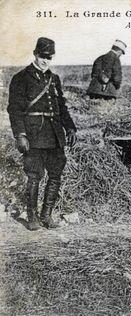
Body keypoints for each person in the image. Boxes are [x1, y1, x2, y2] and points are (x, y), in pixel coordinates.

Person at [7, 37, 77, 230]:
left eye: (49, 57)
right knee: (34, 176)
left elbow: (61, 107)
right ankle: (32, 218)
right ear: (35, 54)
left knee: (55, 176)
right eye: (42, 56)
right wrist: (20, 134)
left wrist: (70, 127)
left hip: (54, 136)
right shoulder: (21, 78)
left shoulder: (54, 79)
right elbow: (14, 110)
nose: (46, 61)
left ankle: (47, 216)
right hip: (34, 136)